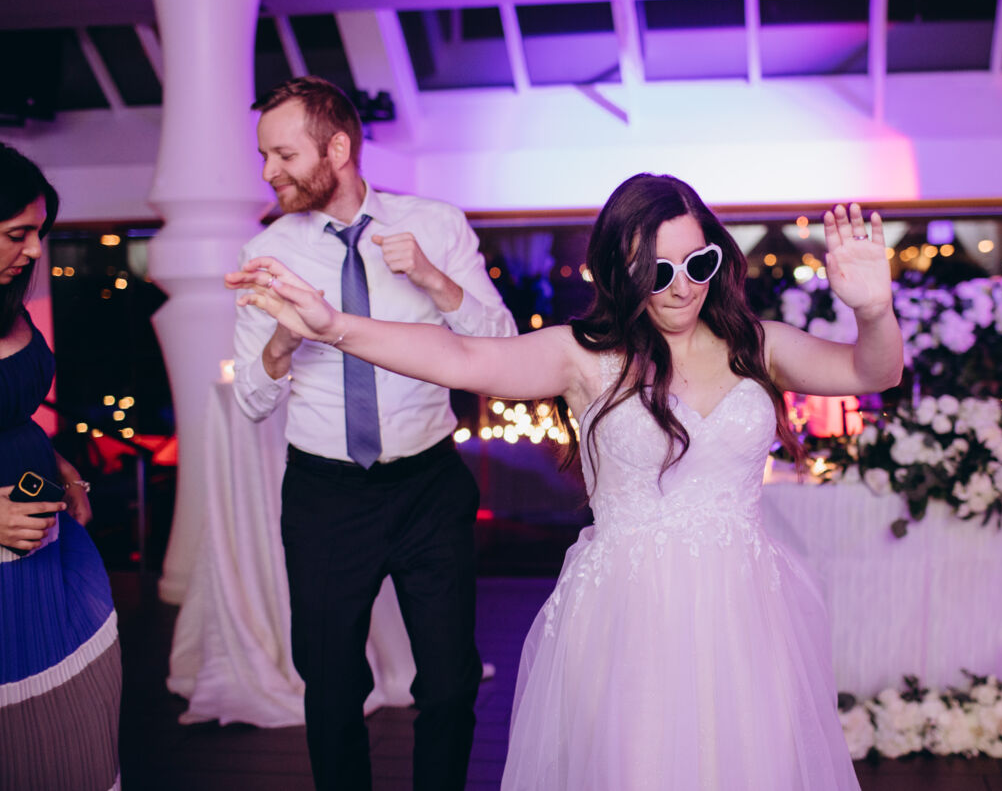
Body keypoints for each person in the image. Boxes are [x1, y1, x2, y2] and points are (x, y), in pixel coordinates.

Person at [229, 172, 902, 789]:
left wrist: (874, 311)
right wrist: (335, 327)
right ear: (619, 269)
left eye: (698, 264)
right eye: (657, 270)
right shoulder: (585, 356)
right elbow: (459, 355)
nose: (682, 287)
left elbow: (874, 372)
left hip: (745, 610)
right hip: (630, 615)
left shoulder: (757, 344)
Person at [231, 76, 517, 791]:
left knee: (449, 683)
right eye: (264, 156)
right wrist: (281, 341)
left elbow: (503, 346)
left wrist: (433, 279)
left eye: (284, 155)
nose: (269, 172)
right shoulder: (267, 251)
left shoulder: (436, 225)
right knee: (330, 690)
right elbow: (254, 403)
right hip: (325, 496)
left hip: (428, 487)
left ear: (337, 148)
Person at [0, 143, 121, 791]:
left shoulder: (9, 303)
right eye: (16, 234)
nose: (33, 250)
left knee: (77, 714)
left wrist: (61, 463)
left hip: (45, 538)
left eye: (38, 233)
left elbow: (10, 412)